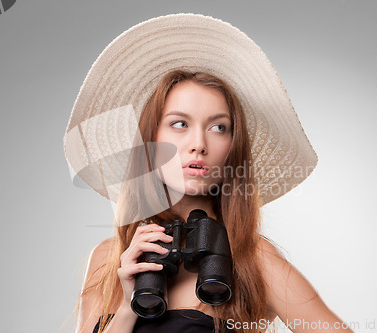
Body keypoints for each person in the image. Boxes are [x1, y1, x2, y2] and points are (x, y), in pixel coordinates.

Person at [63, 14, 354, 333]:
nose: (198, 144)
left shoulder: (252, 259)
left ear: (233, 147)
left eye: (218, 127)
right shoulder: (108, 259)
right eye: (179, 124)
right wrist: (128, 304)